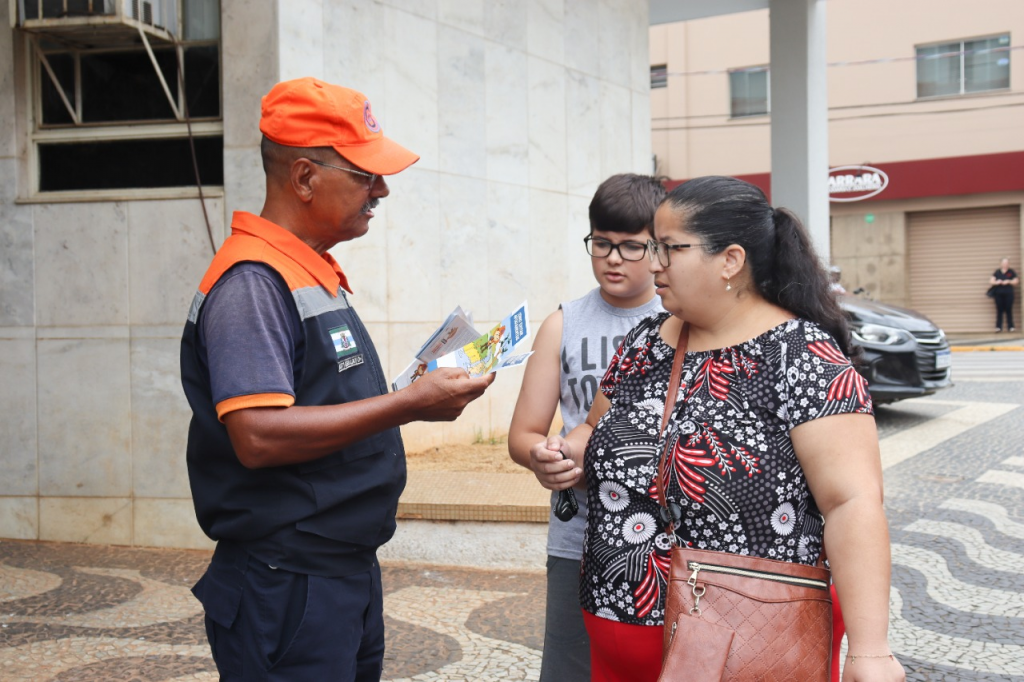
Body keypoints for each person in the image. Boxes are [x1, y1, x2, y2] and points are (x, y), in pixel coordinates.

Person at [179, 77, 494, 681]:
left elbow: (318, 401)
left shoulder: (309, 269)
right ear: (303, 177)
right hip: (287, 582)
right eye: (364, 174)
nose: (381, 191)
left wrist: (409, 392)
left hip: (335, 572)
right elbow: (259, 435)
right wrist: (406, 405)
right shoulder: (253, 285)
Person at [531, 176, 906, 682]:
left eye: (669, 249)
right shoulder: (646, 342)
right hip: (616, 631)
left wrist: (870, 651)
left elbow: (853, 503)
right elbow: (596, 429)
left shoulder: (802, 356)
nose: (653, 263)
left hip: (745, 642)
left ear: (730, 260)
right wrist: (568, 455)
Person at [508, 173, 666, 682]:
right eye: (602, 243)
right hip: (577, 534)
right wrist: (542, 458)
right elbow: (524, 433)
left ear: (659, 246)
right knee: (572, 668)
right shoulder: (564, 323)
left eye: (630, 246)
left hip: (664, 535)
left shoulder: (682, 319)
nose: (613, 258)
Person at [990, 257, 1019, 332]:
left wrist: (1009, 281)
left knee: (1009, 309)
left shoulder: (1011, 272)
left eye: (1006, 263)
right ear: (1001, 264)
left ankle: (1011, 327)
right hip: (998, 294)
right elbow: (991, 281)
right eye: (1003, 263)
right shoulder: (997, 272)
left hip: (1009, 294)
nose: (1005, 264)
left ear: (1008, 264)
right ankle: (998, 327)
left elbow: (1016, 281)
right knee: (999, 310)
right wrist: (997, 282)